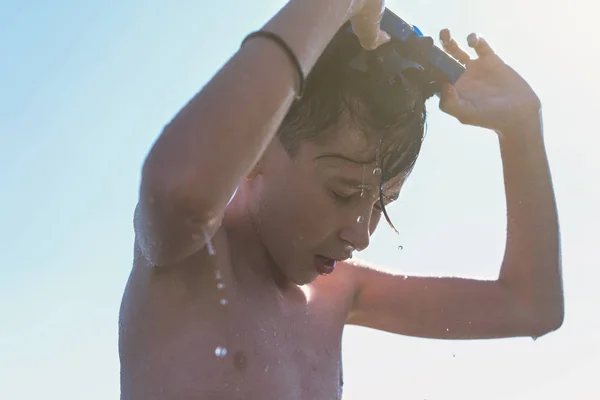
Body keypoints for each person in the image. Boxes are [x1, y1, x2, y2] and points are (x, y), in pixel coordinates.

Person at [118, 0, 564, 398]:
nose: (361, 234)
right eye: (343, 191)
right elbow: (179, 193)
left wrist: (522, 130)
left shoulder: (337, 293)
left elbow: (531, 307)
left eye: (382, 203)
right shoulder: (190, 260)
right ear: (257, 149)